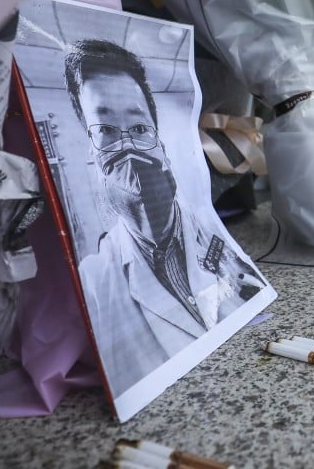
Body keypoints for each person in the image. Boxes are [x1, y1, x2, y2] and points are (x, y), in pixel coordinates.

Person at [64, 39, 265, 397]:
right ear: (90, 150)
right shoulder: (95, 282)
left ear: (159, 140)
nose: (127, 146)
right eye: (106, 130)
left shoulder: (211, 232)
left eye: (140, 129)